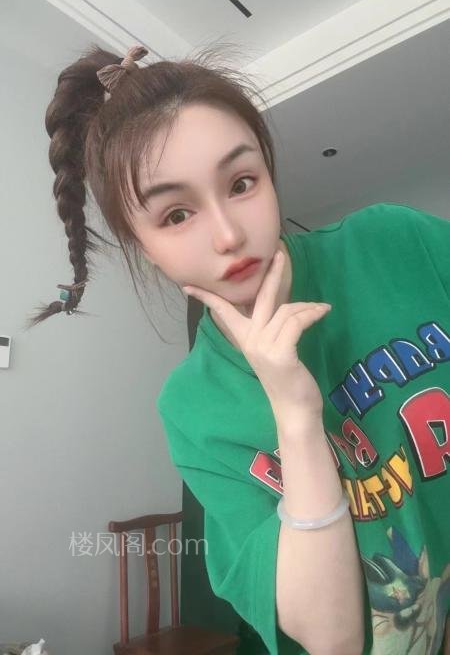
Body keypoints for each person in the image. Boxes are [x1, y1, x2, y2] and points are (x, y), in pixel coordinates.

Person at [27, 44, 450, 655]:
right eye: (177, 215)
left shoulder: (395, 243)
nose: (228, 235)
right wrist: (295, 414)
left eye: (242, 183)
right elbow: (332, 638)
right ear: (145, 247)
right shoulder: (194, 406)